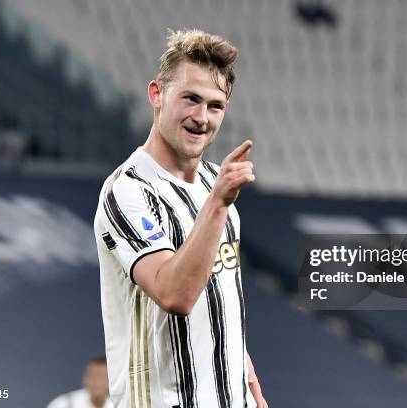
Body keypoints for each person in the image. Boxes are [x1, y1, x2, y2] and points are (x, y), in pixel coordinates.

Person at [93, 29, 268, 408]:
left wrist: (245, 379)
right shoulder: (129, 192)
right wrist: (219, 204)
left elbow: (216, 295)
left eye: (215, 105)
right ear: (157, 95)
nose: (201, 118)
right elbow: (175, 295)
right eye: (190, 99)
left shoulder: (212, 181)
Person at [46, 356, 112, 408]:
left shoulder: (118, 404)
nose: (98, 383)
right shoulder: (65, 404)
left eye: (103, 377)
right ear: (85, 379)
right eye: (93, 376)